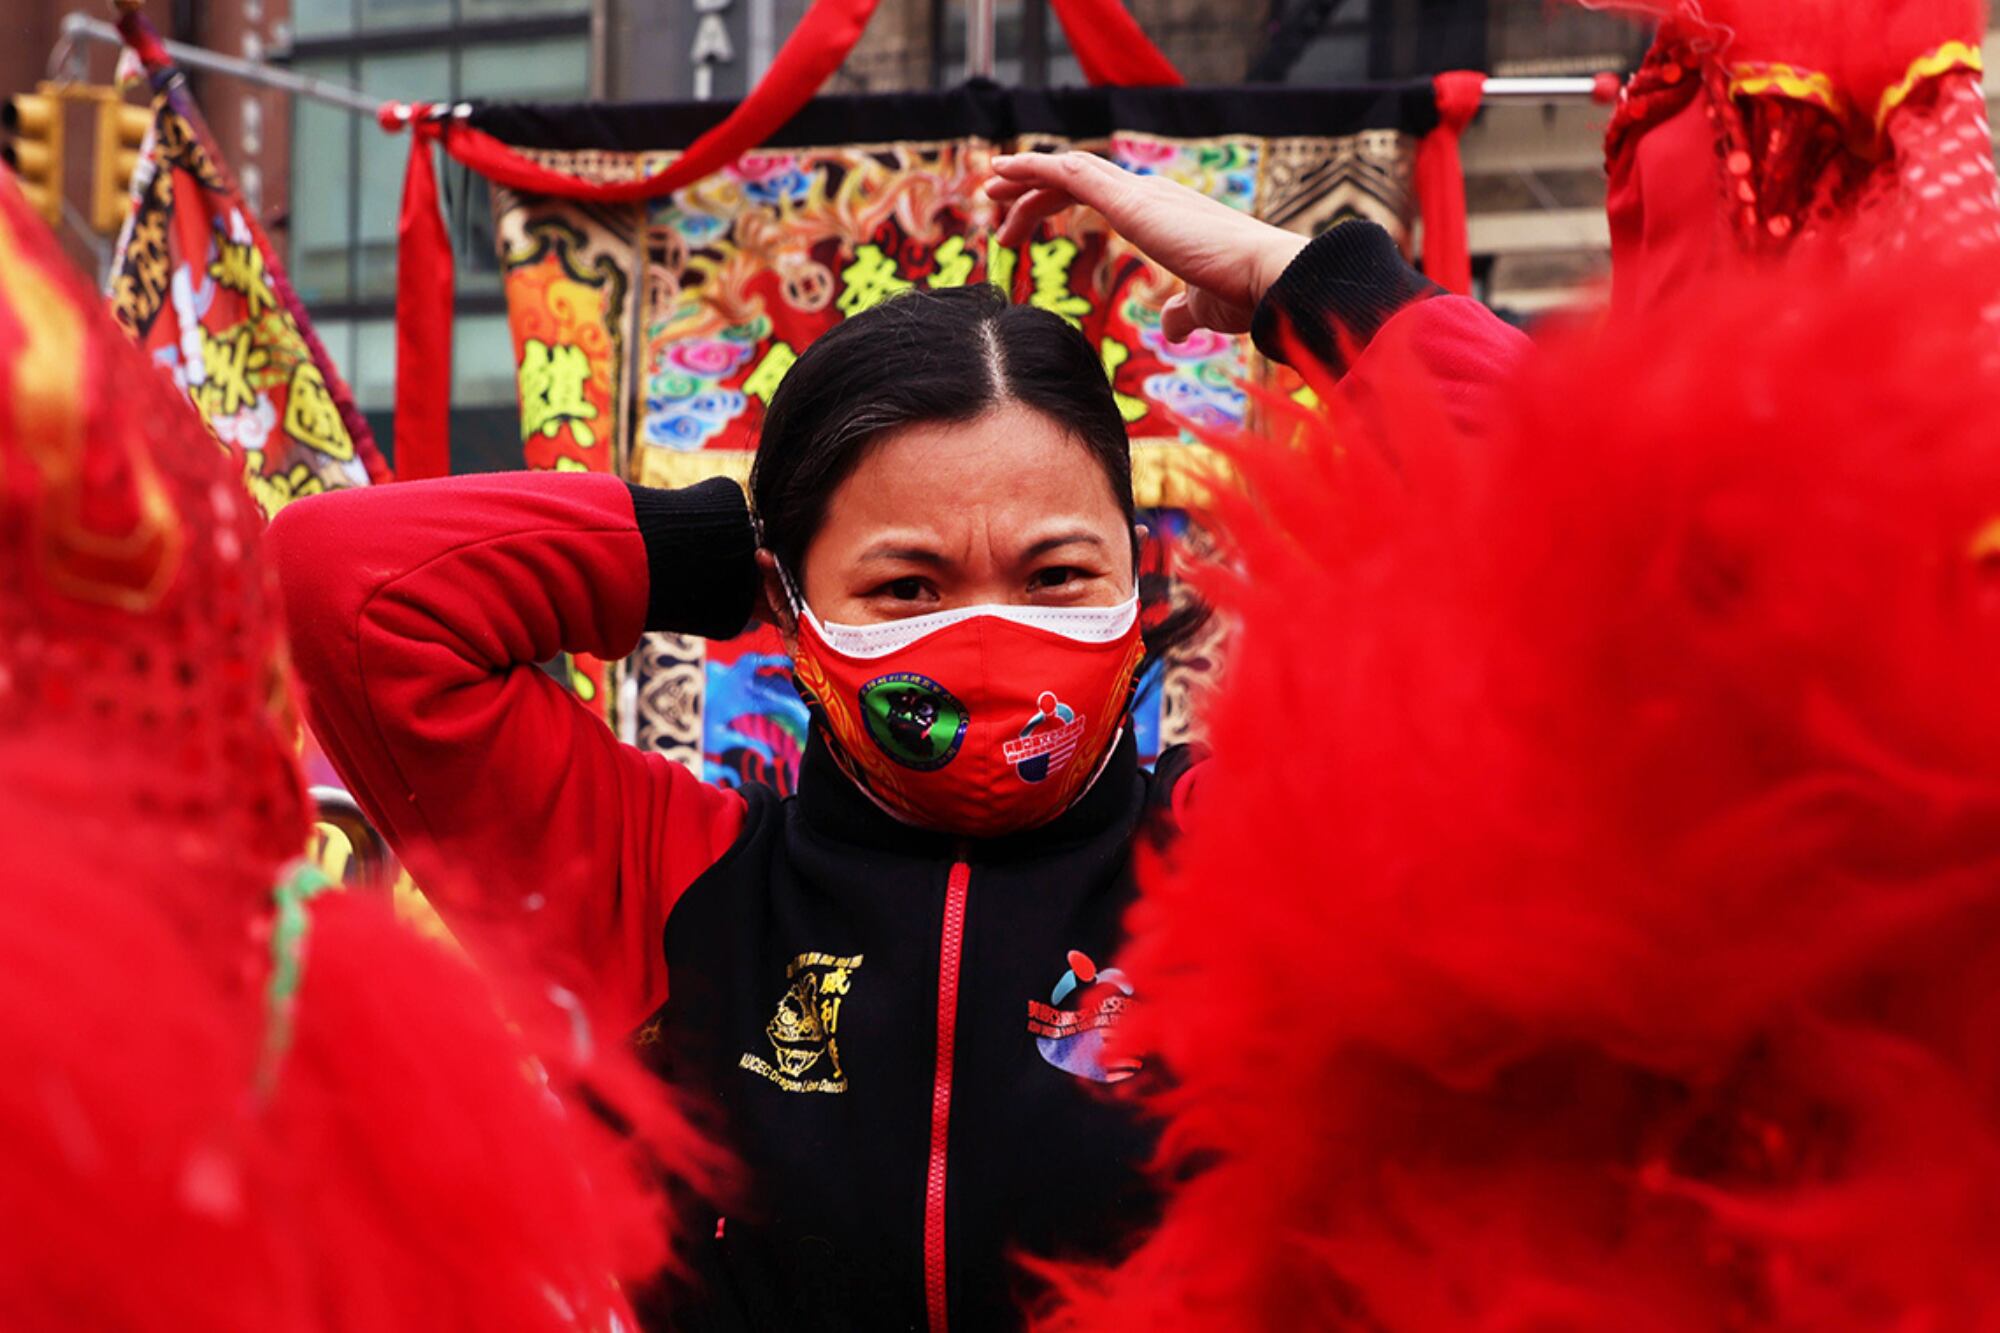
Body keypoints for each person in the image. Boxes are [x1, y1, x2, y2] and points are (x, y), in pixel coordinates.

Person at [268, 152, 1529, 1331]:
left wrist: (1303, 285)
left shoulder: (1258, 862)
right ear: (794, 606)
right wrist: (708, 552)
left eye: (1052, 572)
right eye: (906, 587)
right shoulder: (660, 880)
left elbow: (1610, 544)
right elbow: (350, 588)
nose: (986, 634)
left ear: (1135, 586)